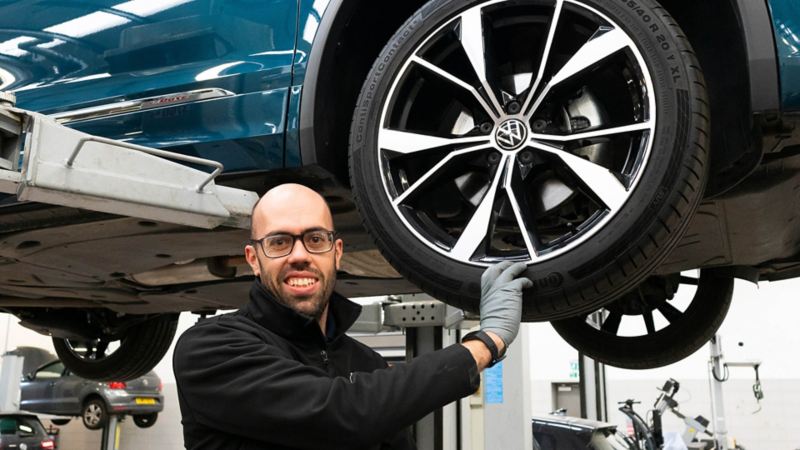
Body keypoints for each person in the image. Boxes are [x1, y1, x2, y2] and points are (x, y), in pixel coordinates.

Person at [173, 183, 532, 450]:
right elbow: (343, 414)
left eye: (315, 239)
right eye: (280, 242)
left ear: (337, 252)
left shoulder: (365, 362)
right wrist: (485, 343)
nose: (300, 255)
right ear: (253, 258)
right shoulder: (211, 348)